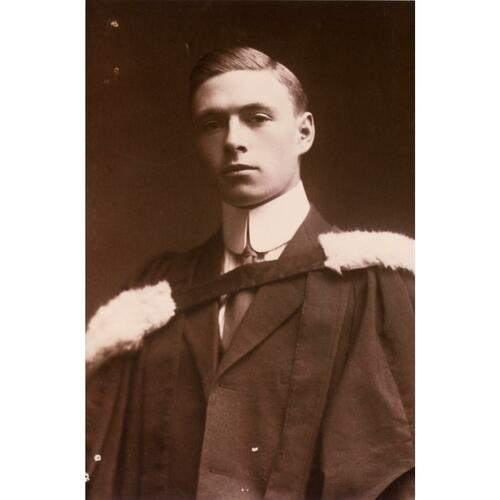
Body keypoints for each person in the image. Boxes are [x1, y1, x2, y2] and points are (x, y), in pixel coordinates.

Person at [86, 47, 415, 499]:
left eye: (257, 118)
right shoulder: (155, 296)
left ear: (304, 132)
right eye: (212, 124)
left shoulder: (372, 282)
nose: (232, 140)